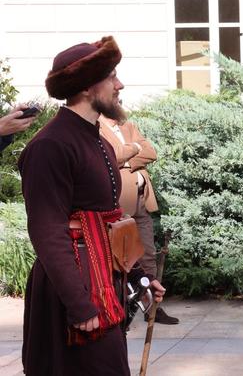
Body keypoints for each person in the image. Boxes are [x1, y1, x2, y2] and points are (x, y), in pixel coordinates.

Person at [19, 36, 166, 376]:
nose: (120, 84)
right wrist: (80, 305)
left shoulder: (96, 138)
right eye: (111, 76)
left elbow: (109, 221)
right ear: (86, 87)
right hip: (74, 292)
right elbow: (47, 231)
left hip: (103, 280)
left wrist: (140, 279)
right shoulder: (51, 146)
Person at [99, 114, 179, 324]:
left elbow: (151, 153)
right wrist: (135, 148)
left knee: (148, 254)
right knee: (122, 257)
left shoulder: (128, 126)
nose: (119, 101)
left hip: (142, 200)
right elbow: (111, 157)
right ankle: (124, 305)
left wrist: (125, 160)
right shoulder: (97, 128)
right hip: (120, 203)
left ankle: (152, 307)